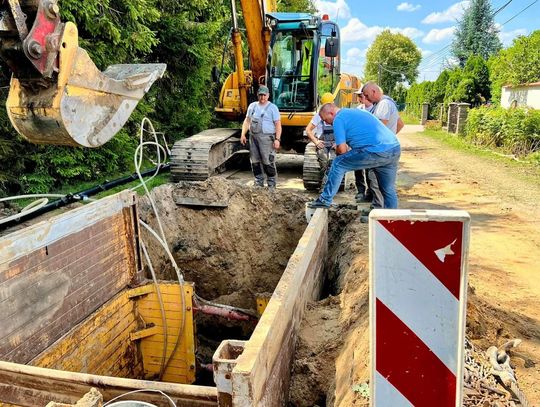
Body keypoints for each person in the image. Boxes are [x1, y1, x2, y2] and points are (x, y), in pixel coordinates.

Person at [308, 103, 401, 209]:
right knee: (388, 189)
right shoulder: (358, 112)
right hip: (394, 148)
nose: (325, 122)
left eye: (325, 119)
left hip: (375, 150)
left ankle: (324, 200)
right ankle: (391, 220)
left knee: (338, 163)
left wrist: (338, 149)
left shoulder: (338, 119)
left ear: (331, 113)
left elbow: (342, 150)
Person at [358, 82, 404, 211]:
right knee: (386, 186)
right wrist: (391, 137)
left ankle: (379, 212)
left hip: (381, 150)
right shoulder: (388, 103)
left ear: (374, 91)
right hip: (388, 149)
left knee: (375, 181)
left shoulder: (383, 104)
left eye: (367, 95)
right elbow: (400, 123)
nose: (366, 98)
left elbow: (377, 129)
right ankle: (387, 215)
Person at [241, 85, 282, 188]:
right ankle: (258, 182)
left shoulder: (273, 108)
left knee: (268, 161)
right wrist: (243, 134)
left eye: (264, 95)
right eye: (260, 95)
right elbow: (247, 121)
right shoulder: (252, 106)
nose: (262, 97)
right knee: (255, 161)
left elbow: (278, 125)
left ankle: (271, 184)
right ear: (257, 95)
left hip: (267, 139)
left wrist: (277, 139)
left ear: (268, 95)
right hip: (253, 138)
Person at [305, 92, 336, 188]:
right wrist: (316, 141)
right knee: (324, 163)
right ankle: (324, 186)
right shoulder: (318, 116)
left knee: (333, 163)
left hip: (334, 145)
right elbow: (308, 130)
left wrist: (338, 143)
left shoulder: (337, 115)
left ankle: (327, 187)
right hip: (322, 144)